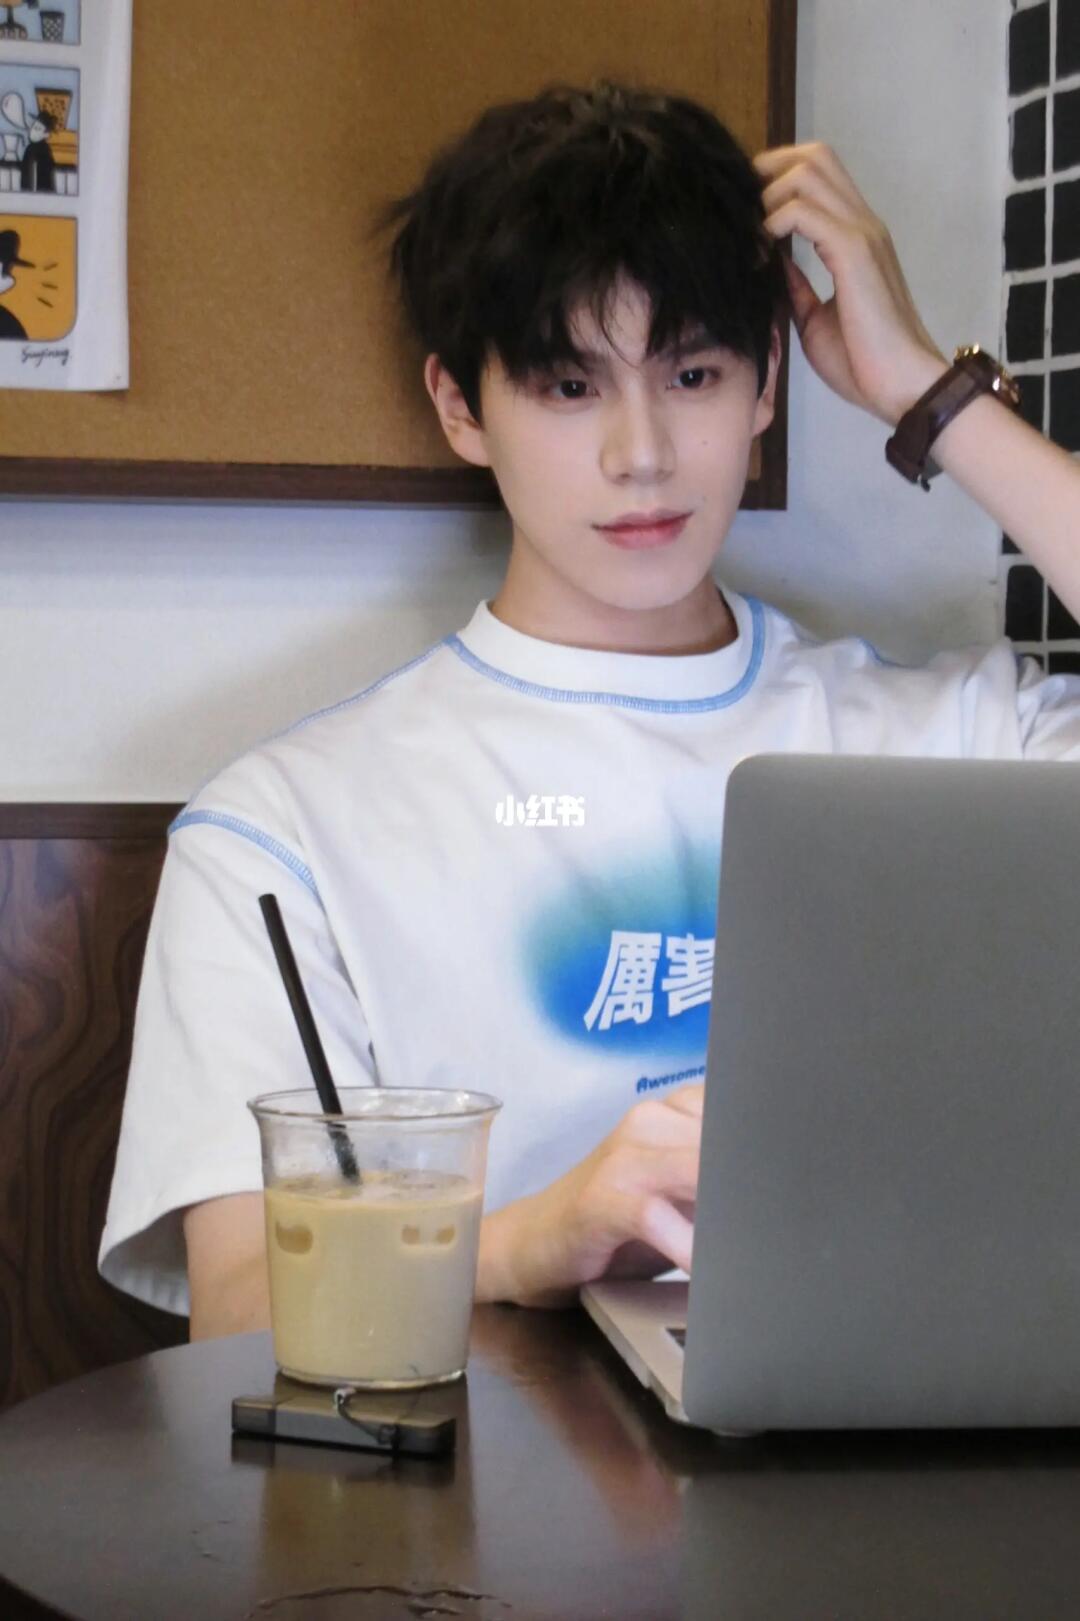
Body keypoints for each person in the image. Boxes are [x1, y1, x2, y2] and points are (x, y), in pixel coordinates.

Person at [99, 79, 1080, 1339]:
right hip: (482, 1462)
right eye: (569, 387)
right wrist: (536, 1237)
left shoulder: (952, 742)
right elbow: (235, 1306)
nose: (642, 453)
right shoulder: (281, 835)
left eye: (694, 372)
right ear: (461, 405)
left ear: (767, 383)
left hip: (933, 1425)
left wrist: (927, 394)